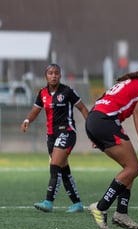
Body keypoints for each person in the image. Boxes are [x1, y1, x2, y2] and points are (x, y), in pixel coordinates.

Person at [85, 53, 138, 229]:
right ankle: (101, 206)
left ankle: (121, 213)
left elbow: (103, 101)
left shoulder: (131, 80)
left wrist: (94, 133)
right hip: (105, 121)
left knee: (128, 168)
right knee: (134, 169)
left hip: (95, 118)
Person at [21, 63, 89, 213]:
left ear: (60, 75)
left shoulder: (67, 91)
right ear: (46, 76)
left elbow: (83, 108)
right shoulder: (42, 93)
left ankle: (48, 201)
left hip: (66, 131)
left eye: (56, 73)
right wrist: (27, 120)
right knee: (64, 170)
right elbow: (35, 111)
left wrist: (92, 129)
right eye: (50, 73)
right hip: (51, 135)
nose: (53, 76)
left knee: (55, 165)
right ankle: (77, 204)